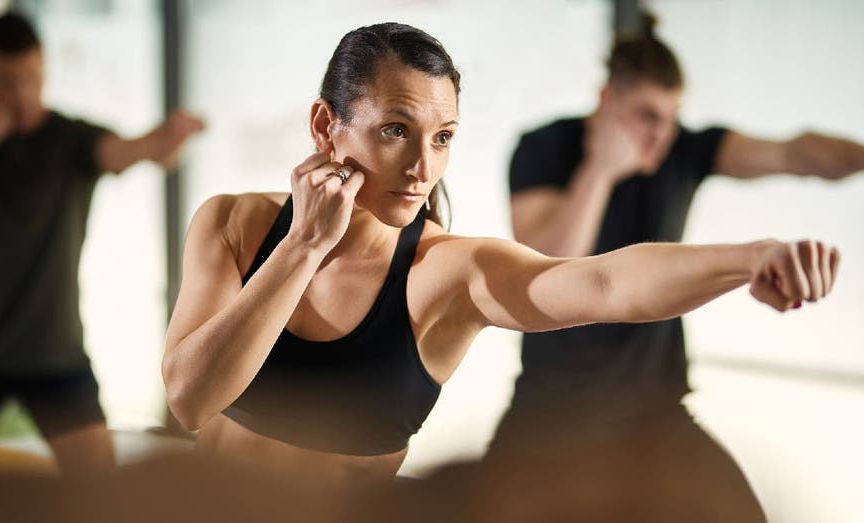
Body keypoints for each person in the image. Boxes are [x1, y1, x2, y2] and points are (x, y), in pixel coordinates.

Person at [162, 22, 838, 489]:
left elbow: (603, 283)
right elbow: (190, 398)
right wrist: (303, 245)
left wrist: (751, 256)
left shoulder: (450, 273)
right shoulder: (233, 224)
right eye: (395, 130)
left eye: (443, 136)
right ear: (324, 126)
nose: (421, 165)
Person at [498, 12, 863, 520]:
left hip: (656, 409)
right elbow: (550, 263)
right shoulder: (544, 148)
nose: (662, 135)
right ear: (607, 99)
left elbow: (795, 152)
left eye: (671, 118)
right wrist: (601, 168)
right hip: (551, 412)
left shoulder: (684, 148)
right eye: (647, 115)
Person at [0, 11, 204, 475]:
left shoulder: (67, 137)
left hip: (52, 354)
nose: (21, 94)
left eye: (32, 78)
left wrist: (164, 140)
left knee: (97, 485)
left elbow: (121, 153)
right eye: (7, 82)